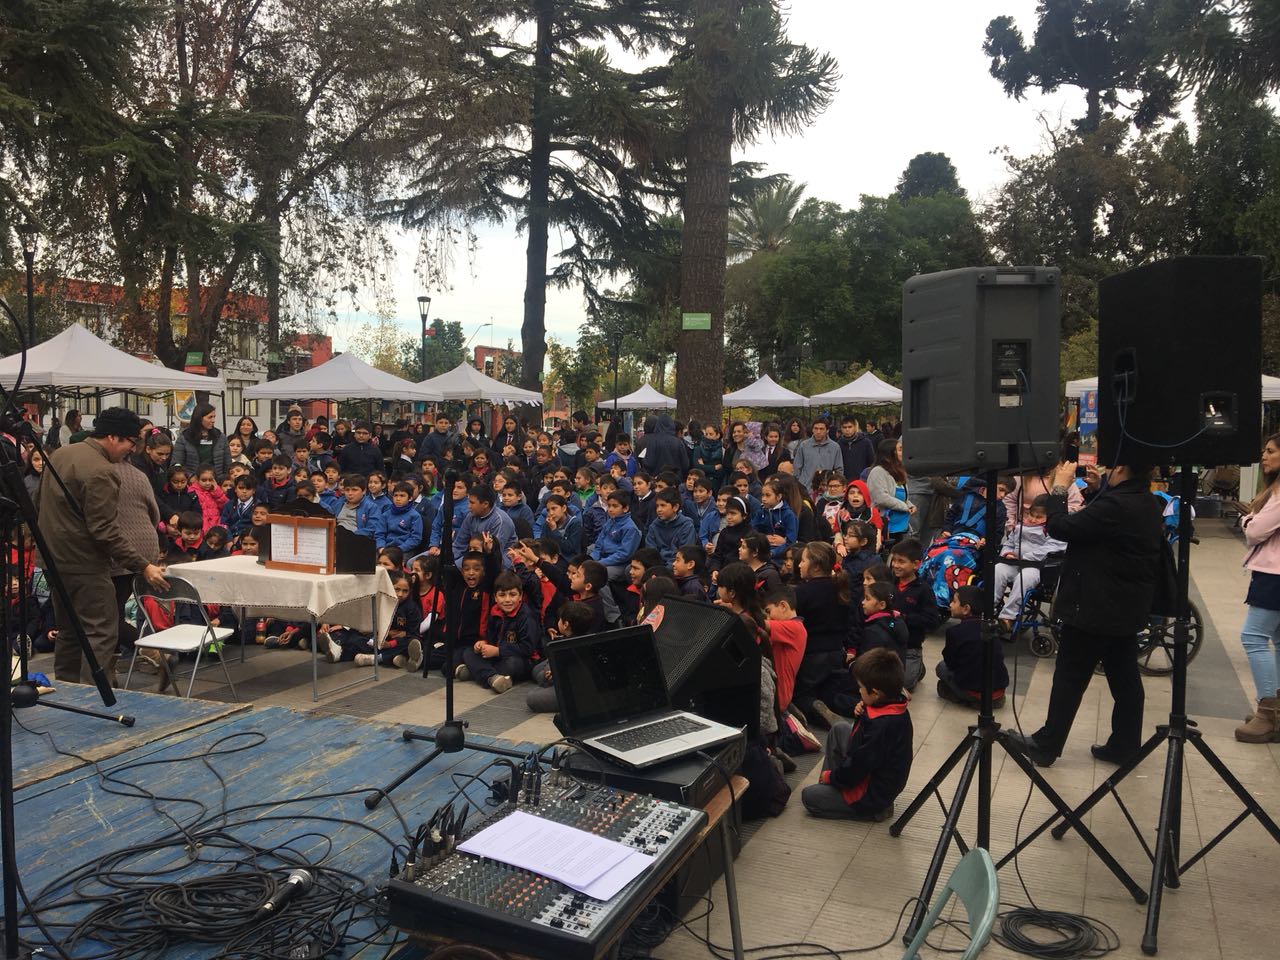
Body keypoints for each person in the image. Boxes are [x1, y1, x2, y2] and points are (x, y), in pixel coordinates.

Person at [1006, 459, 1167, 767]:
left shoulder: (1117, 505)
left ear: (1121, 469)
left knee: (1070, 676)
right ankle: (1124, 745)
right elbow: (1099, 526)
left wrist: (1060, 488)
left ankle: (1047, 744)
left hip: (1095, 605)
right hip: (1124, 604)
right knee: (1124, 678)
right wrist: (1095, 491)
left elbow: (1061, 527)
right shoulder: (1143, 500)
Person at [37, 407, 168, 683]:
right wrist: (143, 565)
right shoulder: (101, 471)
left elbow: (39, 504)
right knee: (100, 632)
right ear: (113, 437)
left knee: (70, 630)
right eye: (132, 442)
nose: (132, 449)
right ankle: (94, 695)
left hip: (52, 558)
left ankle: (68, 690)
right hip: (84, 563)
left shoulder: (60, 455)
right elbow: (105, 531)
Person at [800, 647, 912, 821]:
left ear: (876, 693)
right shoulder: (894, 705)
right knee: (839, 729)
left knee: (809, 797)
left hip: (871, 793)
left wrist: (832, 777)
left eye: (861, 688)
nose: (859, 691)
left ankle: (870, 811)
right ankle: (833, 788)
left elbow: (858, 765)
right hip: (876, 776)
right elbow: (862, 741)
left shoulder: (881, 727)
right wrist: (864, 710)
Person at [1235, 433, 1280, 743]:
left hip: (1273, 575)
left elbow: (1255, 530)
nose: (1264, 456)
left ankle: (1267, 712)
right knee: (1277, 638)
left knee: (1253, 636)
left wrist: (1247, 521)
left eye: (1271, 451)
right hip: (1273, 572)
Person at [992, 494, 1066, 632]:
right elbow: (1009, 543)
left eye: (1039, 517)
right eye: (1031, 515)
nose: (1033, 519)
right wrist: (1007, 553)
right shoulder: (1020, 527)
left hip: (1036, 566)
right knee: (998, 569)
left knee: (1025, 578)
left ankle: (1008, 615)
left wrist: (1025, 556)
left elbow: (1052, 548)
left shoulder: (1052, 530)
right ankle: (989, 607)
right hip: (1015, 562)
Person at [937, 585, 1008, 708]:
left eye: (954, 601)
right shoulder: (992, 628)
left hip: (973, 689)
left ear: (966, 609)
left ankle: (967, 698)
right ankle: (989, 701)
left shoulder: (955, 632)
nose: (950, 605)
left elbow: (950, 663)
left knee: (941, 667)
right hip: (998, 692)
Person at [866, 438, 914, 547]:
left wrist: (910, 505)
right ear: (891, 453)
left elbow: (901, 496)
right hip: (887, 527)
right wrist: (905, 507)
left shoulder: (897, 472)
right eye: (900, 449)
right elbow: (881, 498)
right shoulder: (878, 472)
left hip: (901, 526)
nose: (903, 453)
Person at [171, 402, 230, 475]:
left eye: (214, 417)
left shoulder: (221, 437)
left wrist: (224, 479)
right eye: (210, 417)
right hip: (192, 480)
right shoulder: (184, 438)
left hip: (217, 480)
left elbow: (228, 465)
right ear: (199, 418)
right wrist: (191, 477)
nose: (213, 420)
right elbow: (177, 463)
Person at [793, 416, 842, 493]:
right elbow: (797, 468)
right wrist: (800, 484)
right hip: (806, 490)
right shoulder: (804, 445)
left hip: (827, 491)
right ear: (812, 429)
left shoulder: (835, 447)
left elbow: (839, 470)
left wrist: (835, 486)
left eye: (821, 429)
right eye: (816, 428)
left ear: (827, 430)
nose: (818, 432)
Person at [835, 416, 876, 484]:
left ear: (855, 427)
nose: (847, 430)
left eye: (850, 427)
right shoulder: (838, 444)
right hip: (844, 481)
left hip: (862, 480)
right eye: (844, 427)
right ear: (841, 429)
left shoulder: (866, 442)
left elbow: (871, 462)